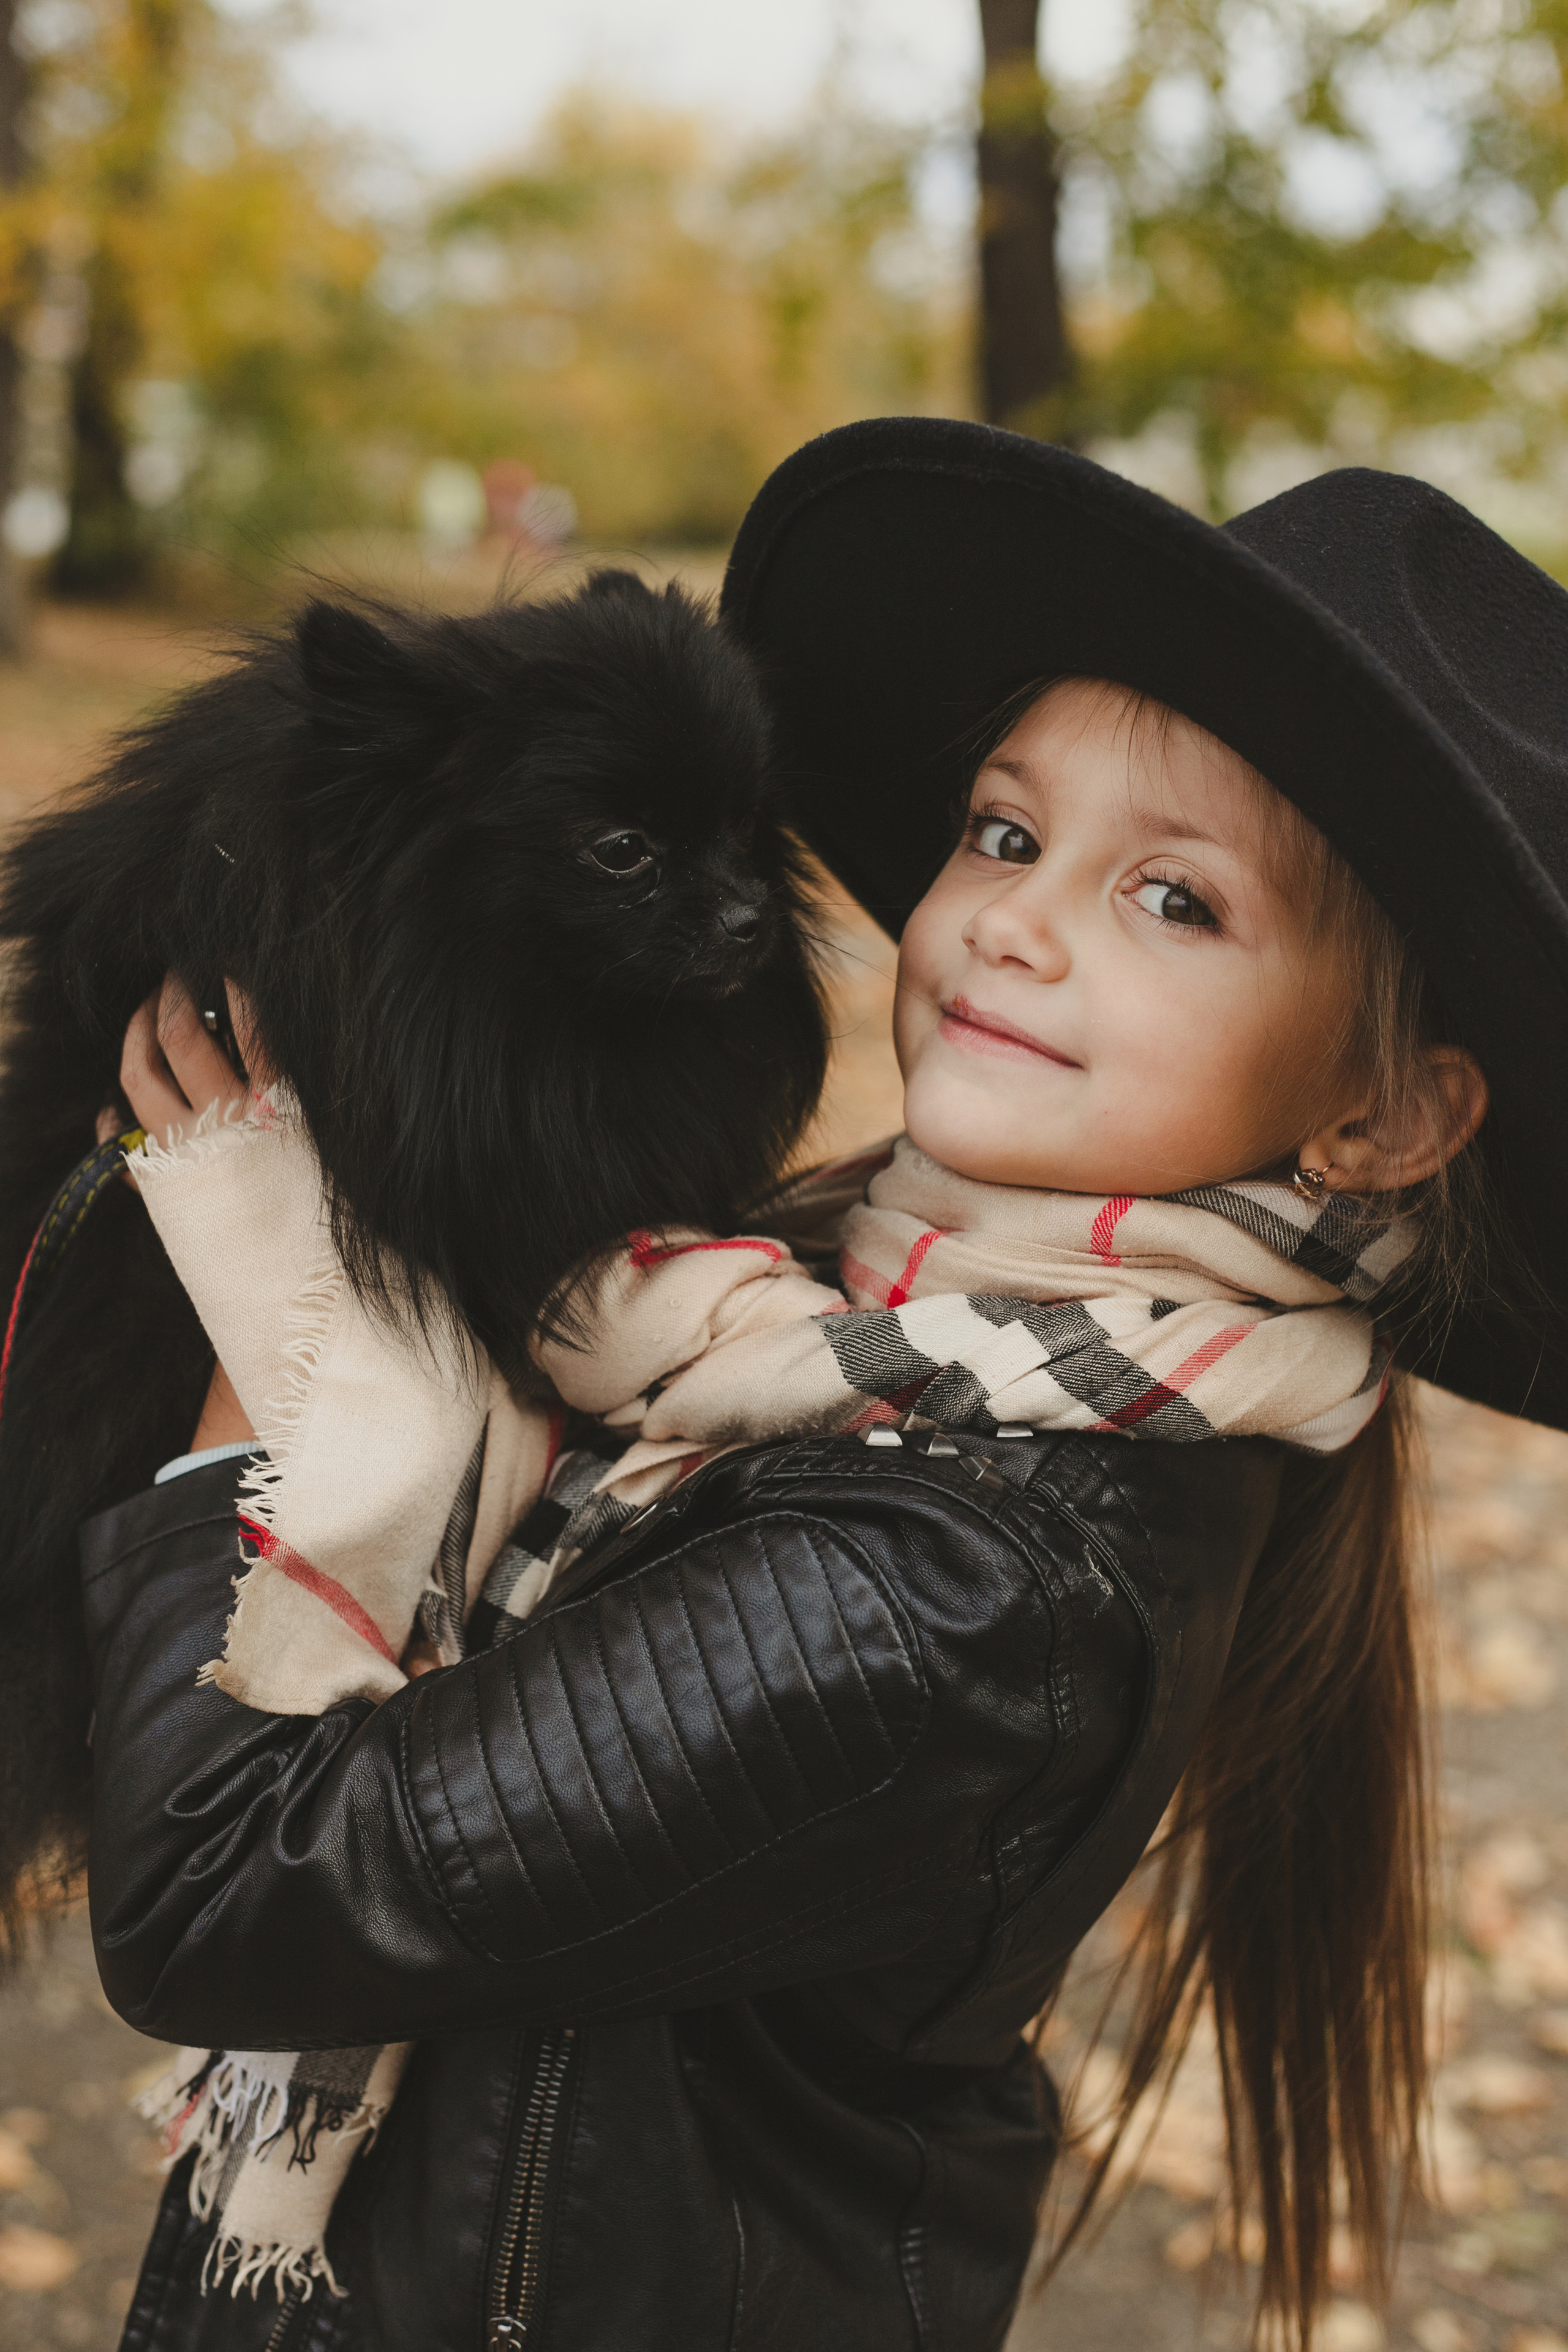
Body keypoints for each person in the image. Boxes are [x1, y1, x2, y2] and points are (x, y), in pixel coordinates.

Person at [87, 420, 1568, 2352]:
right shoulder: (786, 1313)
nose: (1013, 918)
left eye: (1175, 899)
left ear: (1384, 1119)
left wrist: (271, 1377)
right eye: (1009, 834)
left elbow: (222, 1896)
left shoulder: (960, 1588)